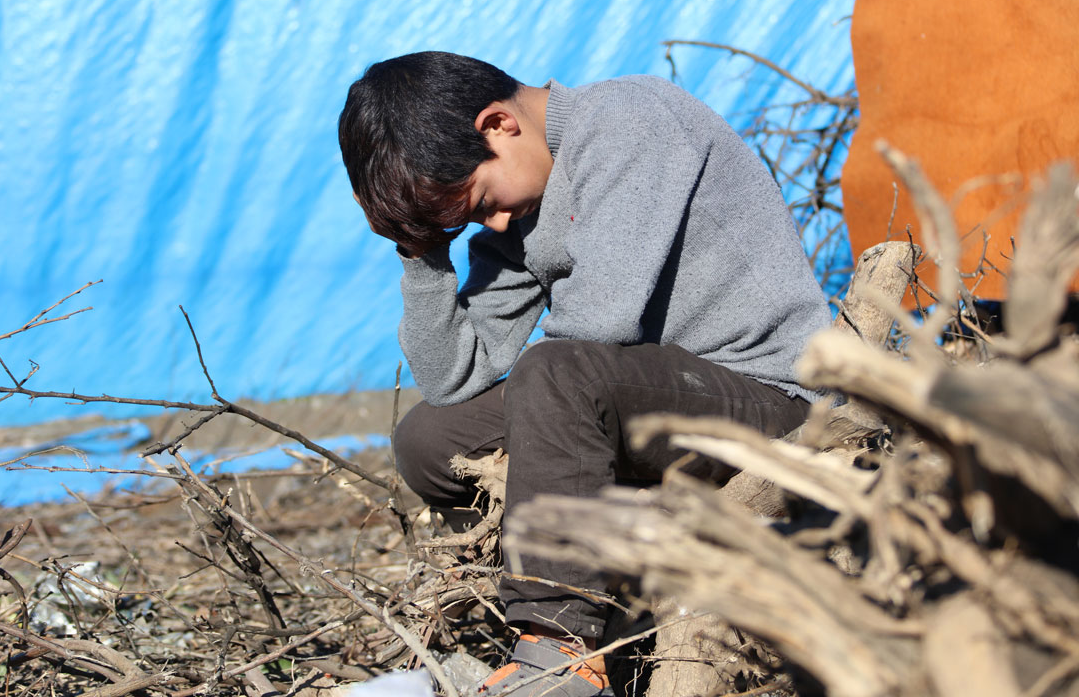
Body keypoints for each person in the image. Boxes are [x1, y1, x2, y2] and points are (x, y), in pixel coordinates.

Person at [338, 51, 830, 697]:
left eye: (481, 202)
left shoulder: (628, 120)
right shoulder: (524, 202)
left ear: (499, 125)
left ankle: (558, 647)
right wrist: (421, 250)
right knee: (428, 441)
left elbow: (600, 323)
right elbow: (451, 378)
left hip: (770, 396)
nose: (493, 224)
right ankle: (571, 604)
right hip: (650, 401)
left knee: (555, 371)